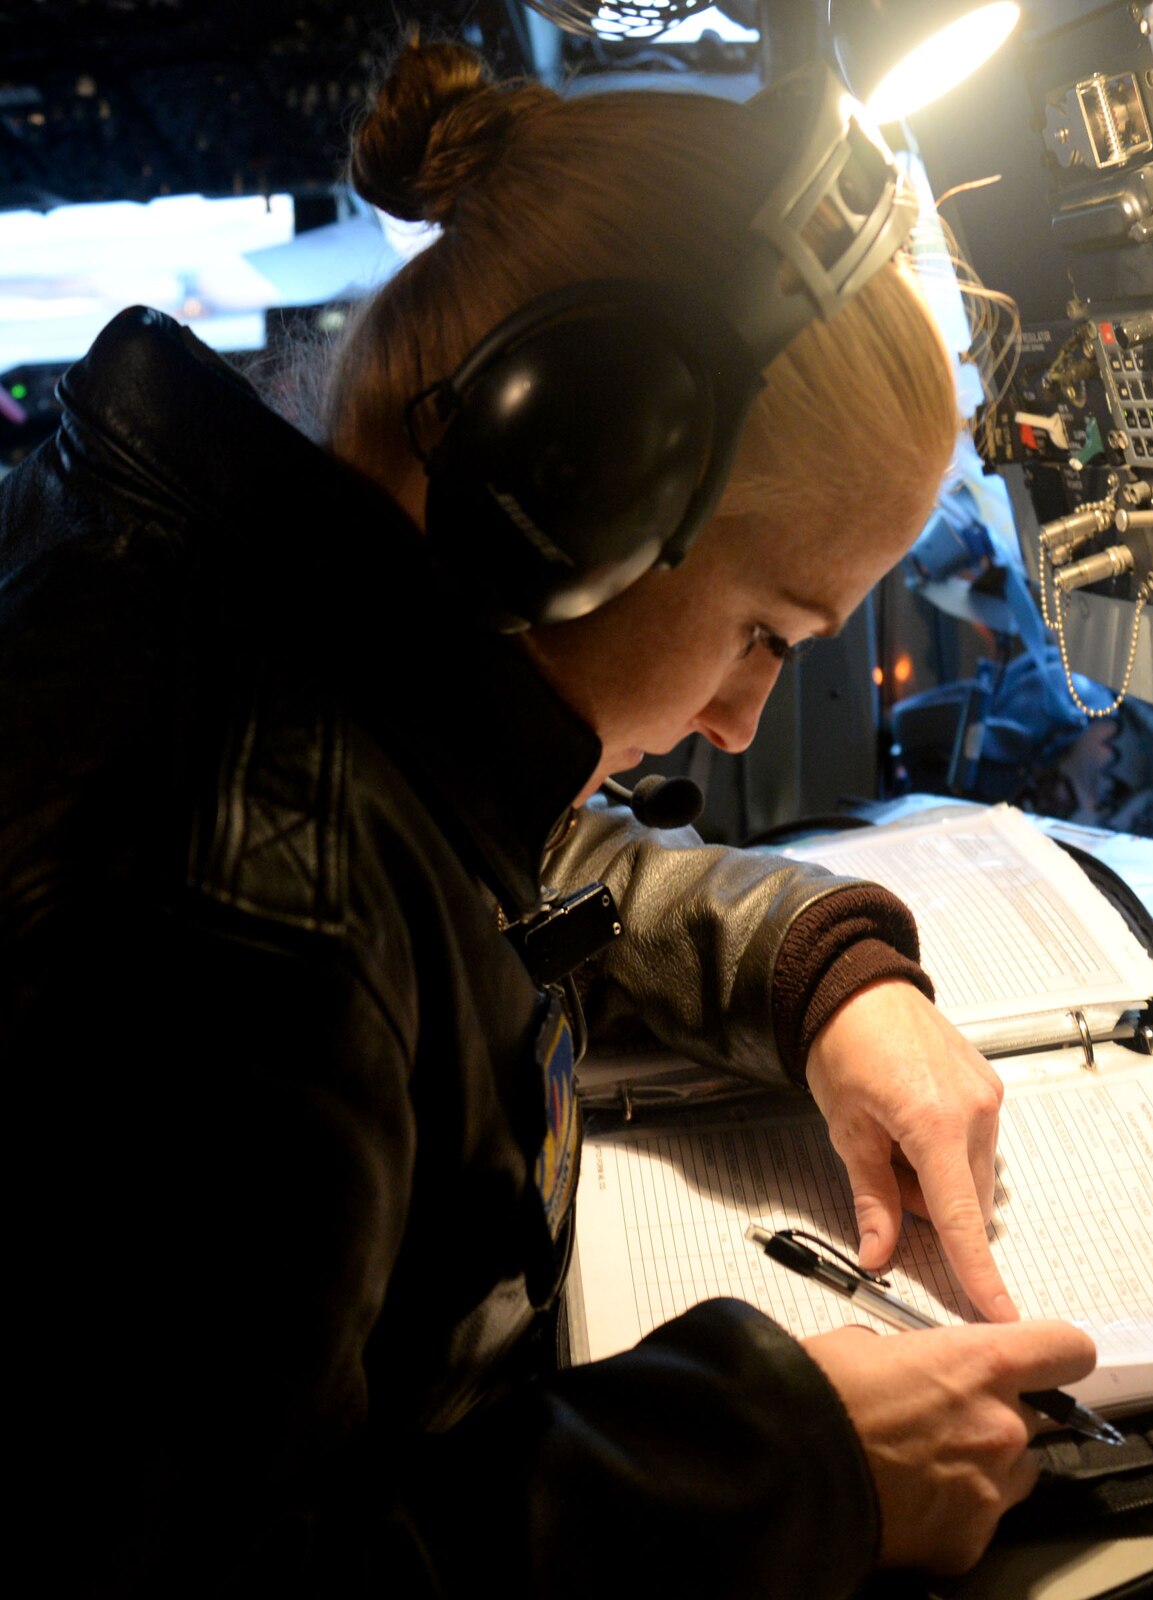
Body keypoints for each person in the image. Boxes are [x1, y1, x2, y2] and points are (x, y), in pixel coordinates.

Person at [0, 35, 1095, 1598]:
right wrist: (784, 1470)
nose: (738, 719)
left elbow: (490, 851)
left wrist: (817, 973)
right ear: (566, 493)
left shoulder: (256, 622)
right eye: (769, 632)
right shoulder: (224, 935)